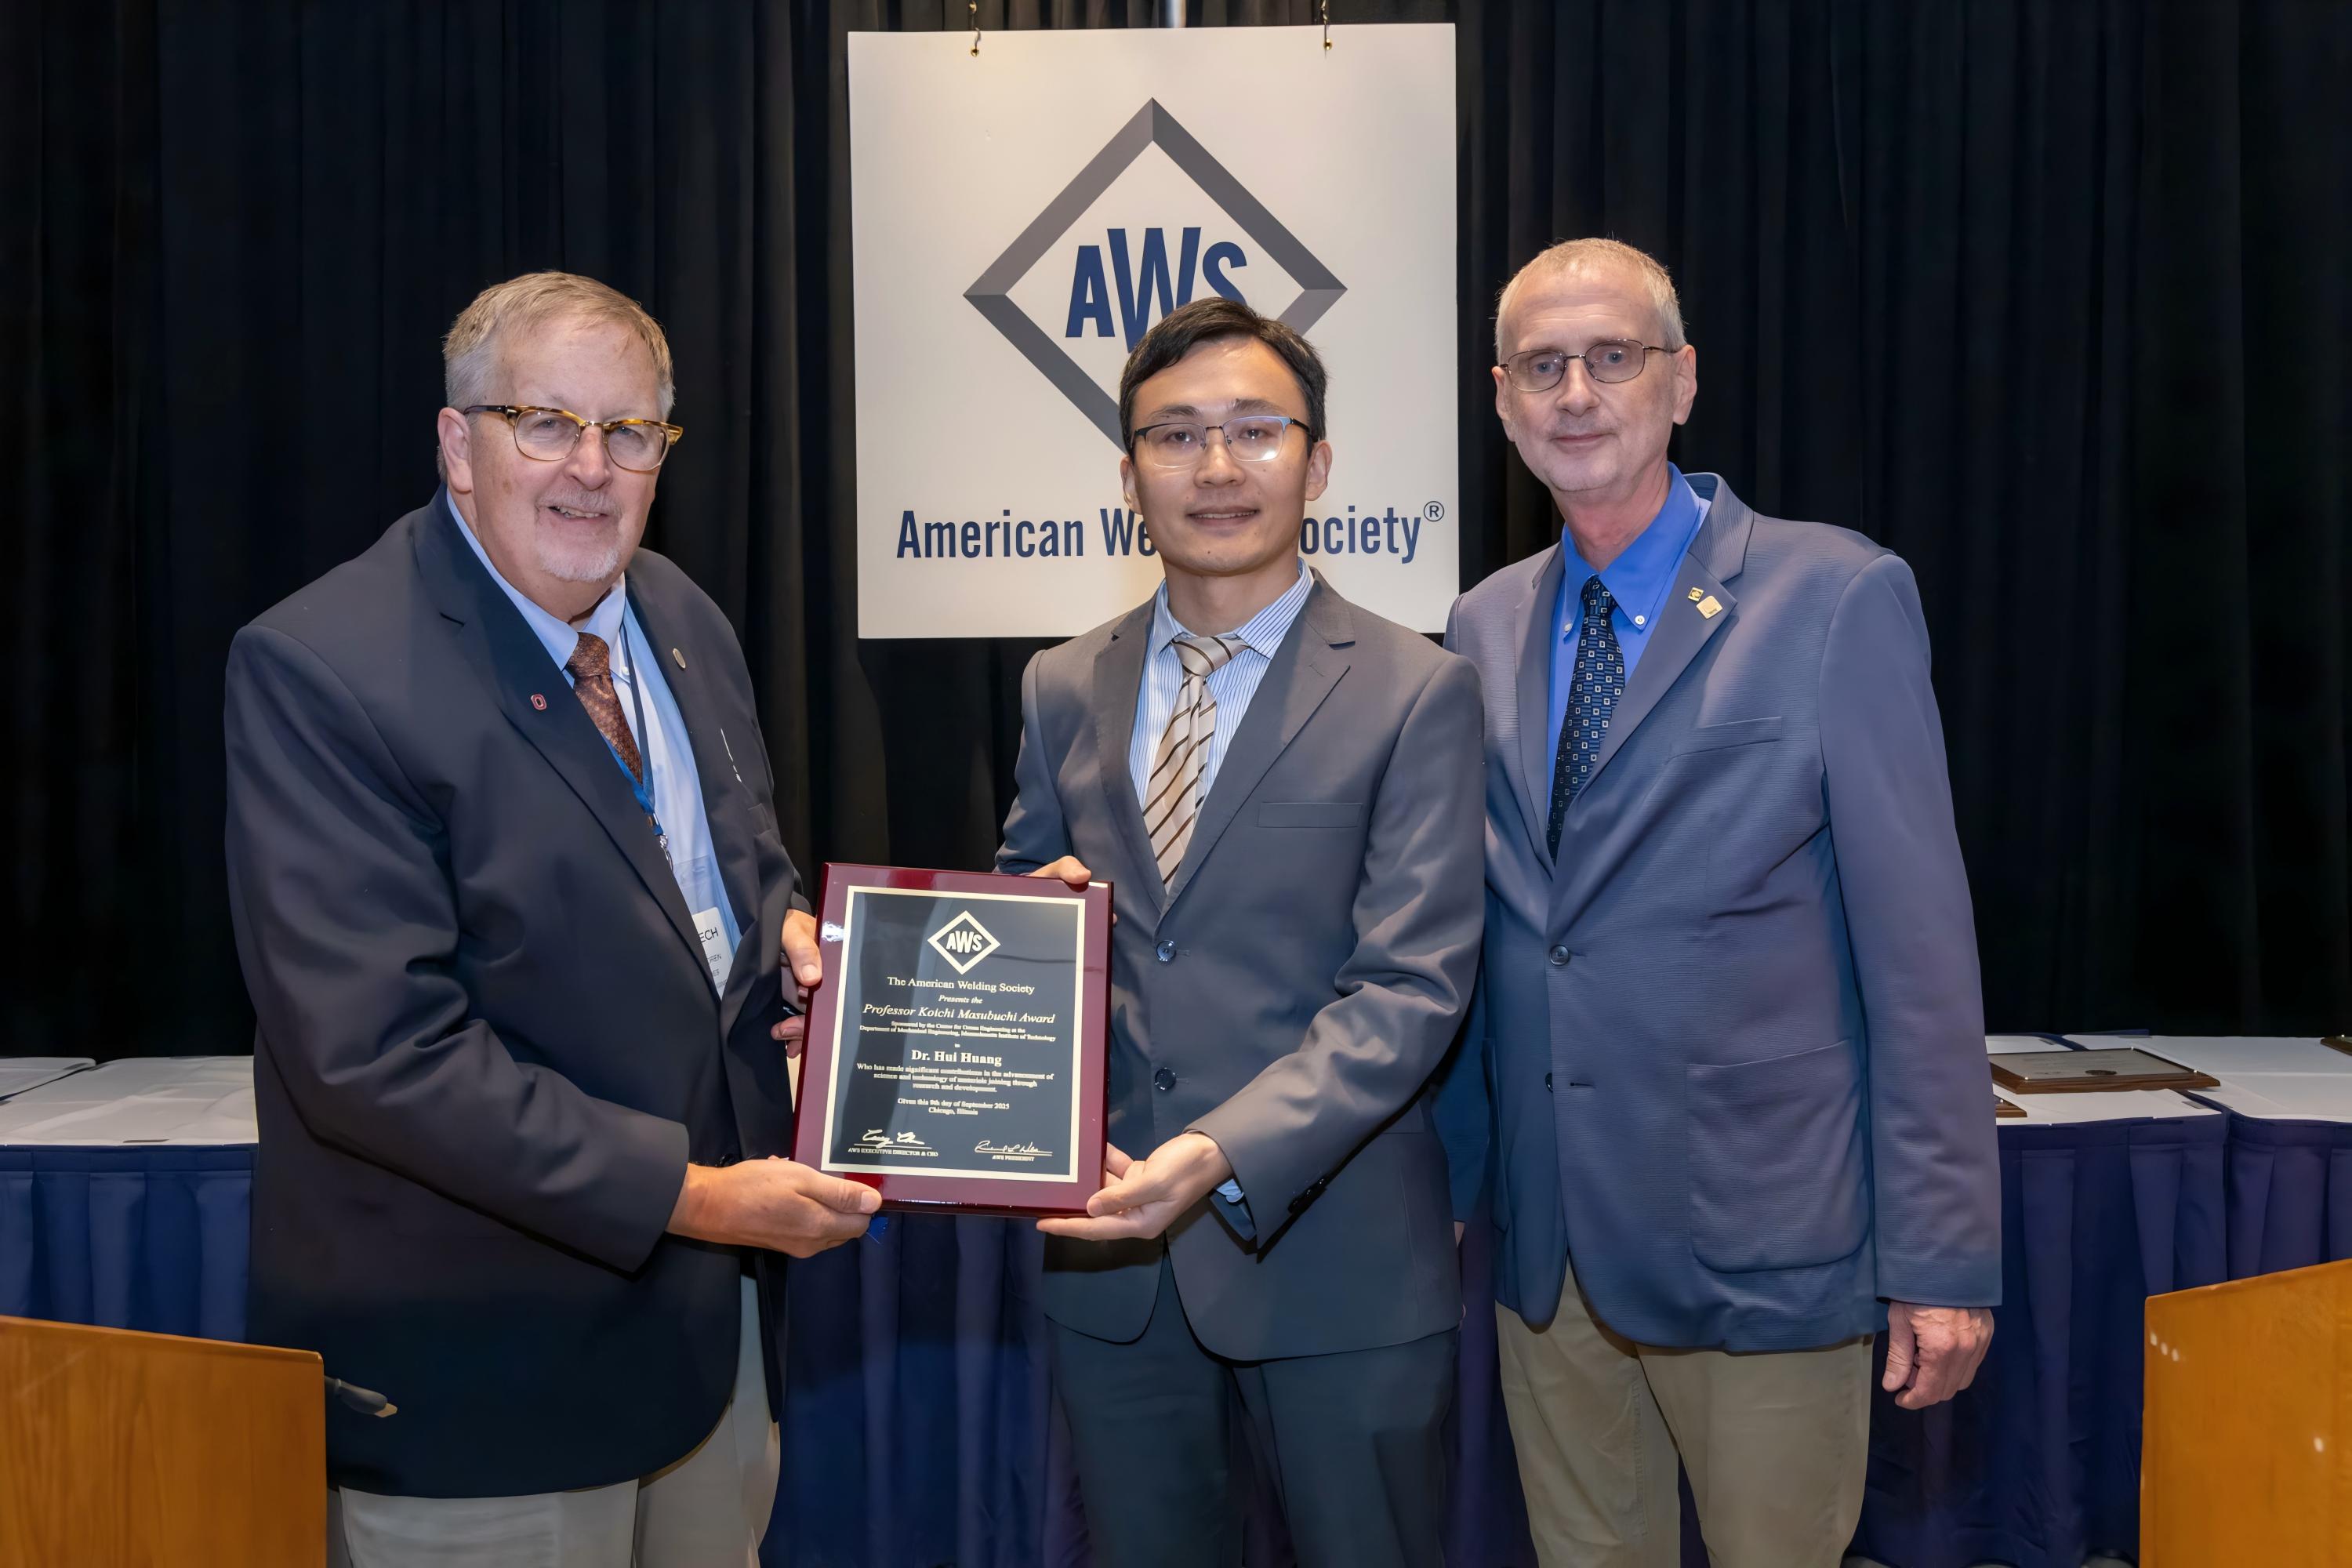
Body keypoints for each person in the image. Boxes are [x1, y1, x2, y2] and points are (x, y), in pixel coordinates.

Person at [223, 271, 877, 1567]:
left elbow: (731, 870)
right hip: (481, 1377)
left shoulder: (680, 615)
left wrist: (791, 944)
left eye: (630, 432)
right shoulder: (325, 668)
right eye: (545, 423)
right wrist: (698, 1199)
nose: (591, 468)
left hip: (705, 1353)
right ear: (456, 444)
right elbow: (378, 1056)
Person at [1435, 238, 1999, 1567]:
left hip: (1765, 1244)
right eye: (1542, 366)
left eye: (1613, 357)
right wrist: (1446, 1194)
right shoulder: (1481, 625)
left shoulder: (1834, 597)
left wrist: (1940, 1257)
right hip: (1551, 1256)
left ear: (1682, 382)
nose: (1578, 393)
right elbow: (1494, 938)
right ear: (1504, 401)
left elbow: (1921, 962)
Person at [994, 296, 1484, 1567]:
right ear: (1128, 477)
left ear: (1317, 466)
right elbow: (1025, 914)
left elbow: (1412, 990)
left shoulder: (1419, 689)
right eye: (1174, 436)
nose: (1216, 466)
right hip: (1115, 1270)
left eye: (1256, 430)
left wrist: (1218, 1152)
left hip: (1339, 1264)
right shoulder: (1060, 684)